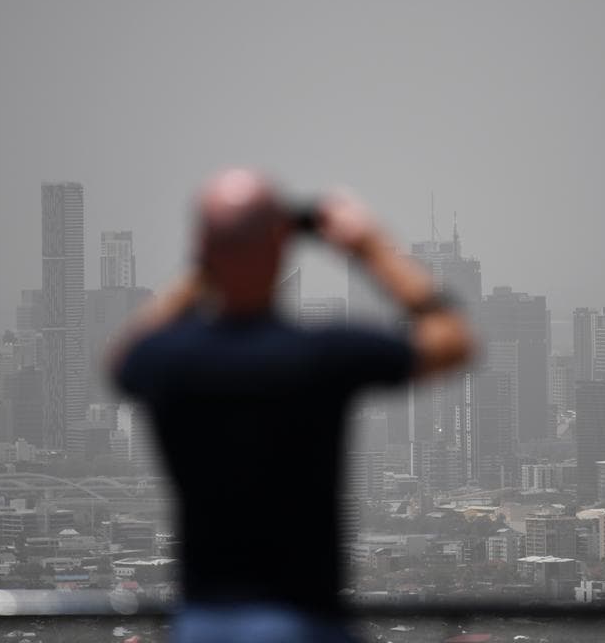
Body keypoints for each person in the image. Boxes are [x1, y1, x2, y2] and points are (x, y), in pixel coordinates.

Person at [106, 169, 474, 642]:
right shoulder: (321, 354)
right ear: (281, 248)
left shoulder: (166, 361)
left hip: (203, 625)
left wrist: (212, 260)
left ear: (202, 248)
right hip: (306, 623)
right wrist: (371, 248)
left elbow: (123, 356)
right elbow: (452, 340)